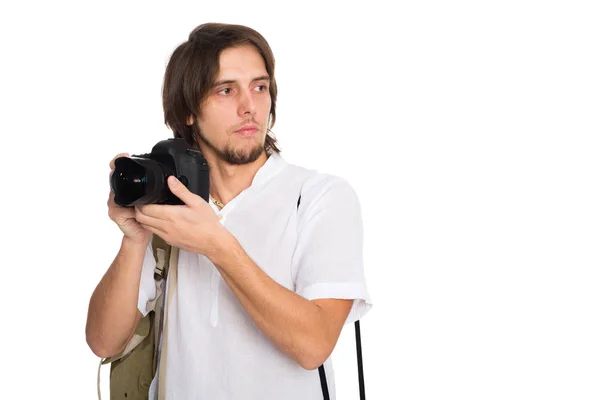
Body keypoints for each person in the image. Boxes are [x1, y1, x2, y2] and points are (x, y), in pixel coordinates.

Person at [86, 22, 372, 399]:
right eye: (226, 90)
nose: (249, 106)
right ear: (188, 111)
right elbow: (104, 342)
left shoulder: (318, 196)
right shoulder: (173, 206)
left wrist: (216, 245)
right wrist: (134, 239)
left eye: (260, 87)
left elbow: (314, 345)